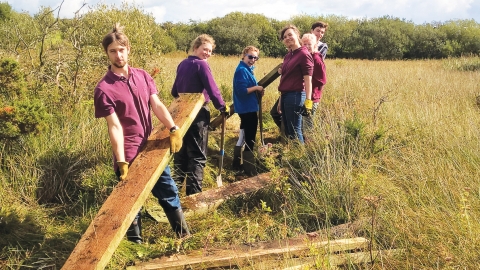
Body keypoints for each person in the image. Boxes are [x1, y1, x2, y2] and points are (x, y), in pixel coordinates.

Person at [94, 23, 190, 244]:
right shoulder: (104, 88)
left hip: (151, 148)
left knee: (168, 190)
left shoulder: (143, 76)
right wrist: (120, 160)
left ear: (128, 49)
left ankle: (183, 236)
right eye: (112, 51)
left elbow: (156, 105)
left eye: (121, 49)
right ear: (106, 53)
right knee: (130, 201)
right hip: (128, 152)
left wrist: (173, 128)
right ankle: (135, 245)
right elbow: (114, 126)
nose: (118, 55)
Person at [171, 34, 229, 195]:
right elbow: (212, 87)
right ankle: (194, 196)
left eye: (210, 51)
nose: (207, 53)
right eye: (205, 49)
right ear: (195, 48)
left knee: (181, 154)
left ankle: (173, 195)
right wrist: (222, 106)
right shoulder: (201, 65)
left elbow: (174, 91)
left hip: (181, 114)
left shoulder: (183, 64)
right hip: (198, 113)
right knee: (197, 155)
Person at [274, 24, 313, 144]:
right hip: (285, 95)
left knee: (295, 131)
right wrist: (281, 99)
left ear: (297, 35)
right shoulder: (288, 56)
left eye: (290, 34)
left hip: (296, 95)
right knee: (289, 130)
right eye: (284, 37)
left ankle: (300, 158)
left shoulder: (303, 54)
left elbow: (308, 79)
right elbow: (284, 78)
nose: (287, 38)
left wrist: (308, 101)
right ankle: (294, 155)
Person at [232, 46, 264, 176]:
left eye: (255, 57)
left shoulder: (247, 69)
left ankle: (236, 164)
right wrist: (256, 87)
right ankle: (249, 168)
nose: (253, 60)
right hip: (247, 109)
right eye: (250, 56)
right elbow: (242, 91)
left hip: (247, 107)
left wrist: (258, 91)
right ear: (244, 55)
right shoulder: (241, 70)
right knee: (250, 138)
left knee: (243, 136)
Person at [301, 33, 327, 131]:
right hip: (305, 95)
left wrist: (307, 83)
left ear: (315, 46)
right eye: (305, 44)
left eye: (309, 44)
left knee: (307, 124)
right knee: (303, 123)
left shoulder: (316, 58)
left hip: (312, 97)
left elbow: (322, 79)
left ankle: (309, 144)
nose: (307, 47)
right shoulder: (306, 57)